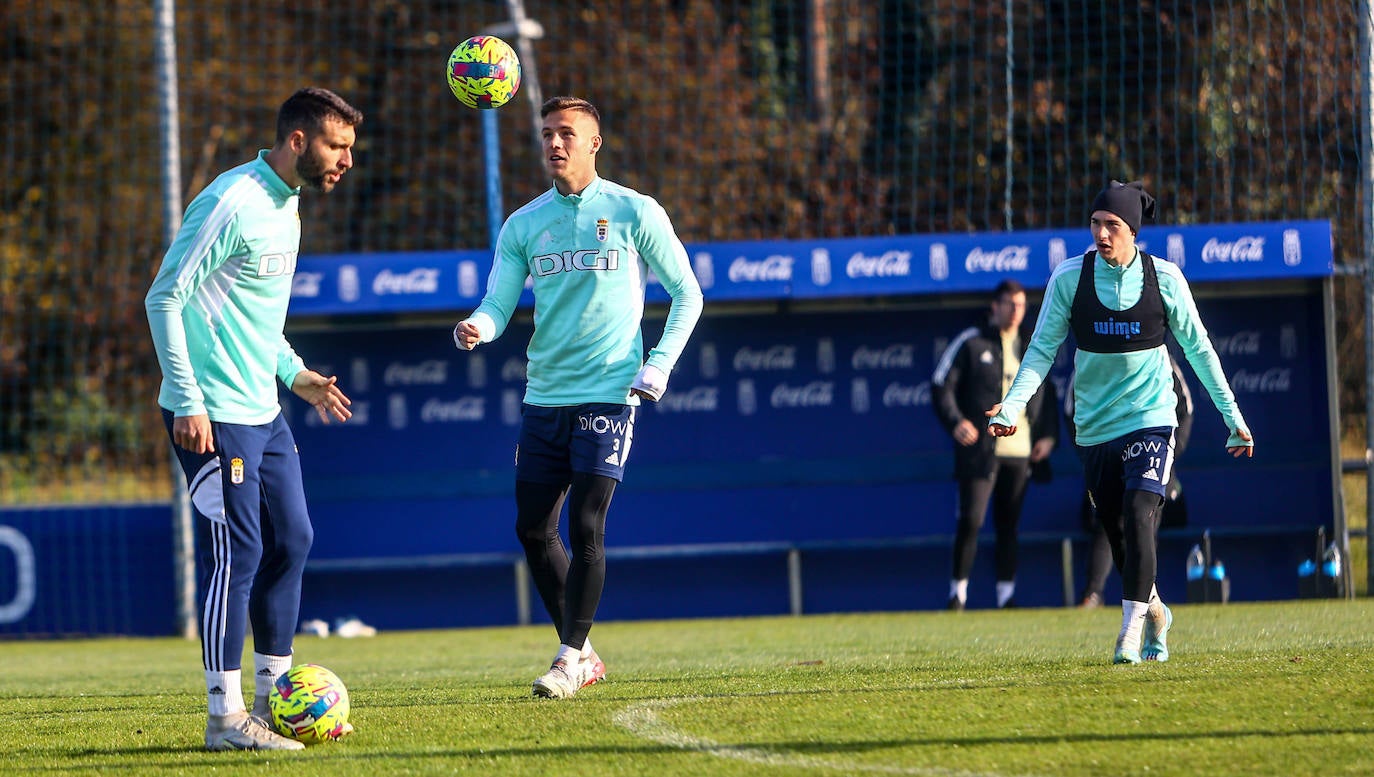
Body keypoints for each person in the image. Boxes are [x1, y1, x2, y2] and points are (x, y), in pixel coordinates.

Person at [452, 96, 703, 699]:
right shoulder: (523, 224)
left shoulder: (634, 211)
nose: (554, 144)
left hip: (610, 393)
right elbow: (498, 301)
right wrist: (478, 327)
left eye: (567, 133)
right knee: (534, 531)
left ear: (595, 143)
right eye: (545, 135)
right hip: (545, 396)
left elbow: (687, 293)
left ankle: (567, 658)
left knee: (588, 522)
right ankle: (585, 651)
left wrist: (659, 366)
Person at [145, 87, 362, 750]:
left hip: (264, 412)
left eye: (351, 149)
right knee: (235, 552)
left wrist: (294, 373)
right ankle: (225, 717)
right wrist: (187, 398)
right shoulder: (231, 201)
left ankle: (276, 699)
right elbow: (166, 296)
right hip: (214, 414)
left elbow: (249, 316)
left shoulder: (287, 204)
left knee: (293, 538)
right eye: (336, 146)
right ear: (297, 140)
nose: (346, 161)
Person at [987, 180, 1253, 665]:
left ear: (1133, 230)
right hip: (1094, 426)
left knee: (1139, 517)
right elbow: (1042, 350)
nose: (1102, 234)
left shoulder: (1165, 279)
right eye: (1096, 224)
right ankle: (1153, 612)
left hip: (1152, 417)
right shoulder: (1070, 278)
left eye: (1112, 225)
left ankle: (1128, 634)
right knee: (1118, 535)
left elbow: (1199, 349)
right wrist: (1011, 407)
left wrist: (1232, 416)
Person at [932, 279, 1057, 610]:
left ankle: (1006, 595)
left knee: (1009, 524)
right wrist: (956, 421)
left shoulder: (1033, 344)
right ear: (995, 306)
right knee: (971, 521)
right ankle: (957, 594)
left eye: (1020, 305)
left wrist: (1047, 436)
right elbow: (940, 385)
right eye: (1009, 304)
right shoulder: (972, 342)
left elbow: (1048, 392)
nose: (1015, 311)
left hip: (1020, 453)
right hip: (980, 453)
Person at [1073, 352, 1193, 608]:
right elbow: (1072, 408)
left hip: (1149, 453)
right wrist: (1090, 451)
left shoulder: (1159, 356)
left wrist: (1167, 451)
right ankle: (1096, 594)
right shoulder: (1091, 353)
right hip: (1107, 453)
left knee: (1143, 519)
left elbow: (1185, 410)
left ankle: (1145, 597)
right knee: (1108, 526)